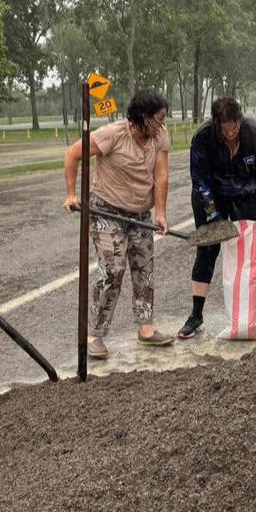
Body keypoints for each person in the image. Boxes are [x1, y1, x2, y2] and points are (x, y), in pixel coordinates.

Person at [63, 89, 174, 358]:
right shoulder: (112, 135)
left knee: (144, 269)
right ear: (144, 117)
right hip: (107, 212)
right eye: (159, 118)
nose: (162, 123)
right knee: (113, 270)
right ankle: (94, 336)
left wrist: (161, 213)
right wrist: (71, 194)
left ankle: (145, 329)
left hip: (139, 215)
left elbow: (161, 176)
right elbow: (73, 154)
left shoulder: (159, 136)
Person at [177, 97, 256, 339]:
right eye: (225, 129)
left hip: (248, 194)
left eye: (234, 127)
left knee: (252, 249)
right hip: (211, 195)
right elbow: (200, 180)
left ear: (240, 120)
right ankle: (196, 315)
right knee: (207, 250)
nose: (231, 133)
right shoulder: (202, 138)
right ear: (216, 124)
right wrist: (214, 215)